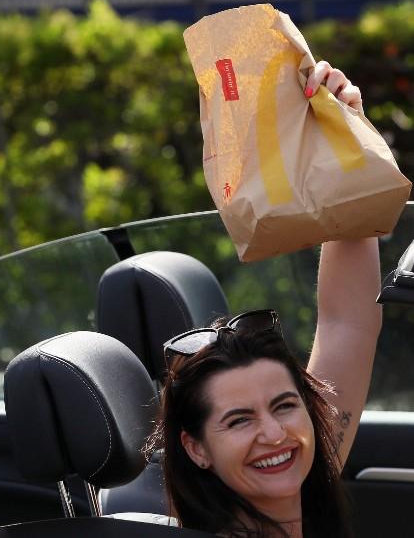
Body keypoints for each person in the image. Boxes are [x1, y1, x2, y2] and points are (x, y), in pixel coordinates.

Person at [149, 62, 378, 538]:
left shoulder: (303, 487)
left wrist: (342, 131)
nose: (273, 434)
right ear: (196, 449)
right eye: (238, 420)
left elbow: (349, 323)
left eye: (284, 405)